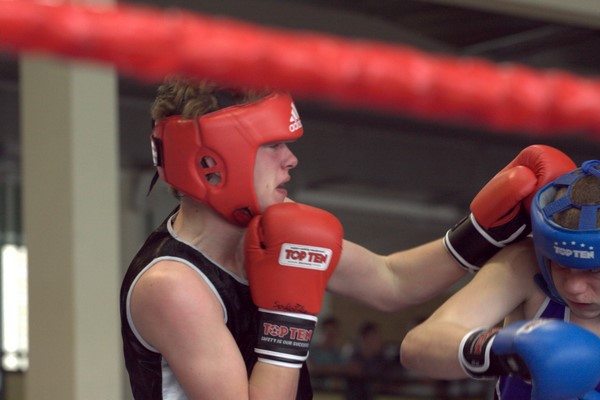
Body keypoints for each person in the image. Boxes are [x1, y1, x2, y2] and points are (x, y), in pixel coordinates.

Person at [119, 76, 574, 400]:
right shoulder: (174, 286)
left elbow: (392, 281)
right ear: (213, 162)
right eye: (272, 145)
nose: (291, 159)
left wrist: (486, 231)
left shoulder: (274, 233)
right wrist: (289, 318)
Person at [400, 160, 600, 400]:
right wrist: (505, 349)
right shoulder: (526, 264)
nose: (574, 287)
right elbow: (417, 346)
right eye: (560, 265)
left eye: (594, 270)